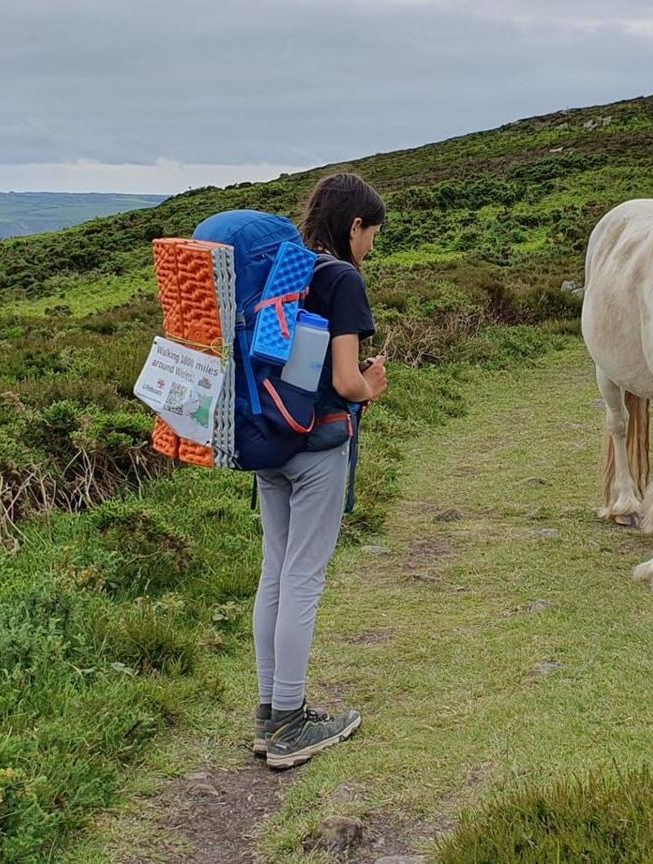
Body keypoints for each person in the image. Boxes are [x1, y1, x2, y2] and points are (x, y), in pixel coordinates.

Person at [252, 173, 388, 770]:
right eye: (371, 235)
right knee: (304, 577)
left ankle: (266, 713)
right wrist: (372, 387)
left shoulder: (286, 269)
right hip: (319, 447)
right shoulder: (342, 279)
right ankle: (289, 722)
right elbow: (344, 381)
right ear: (353, 226)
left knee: (275, 573)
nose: (371, 248)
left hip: (270, 443)